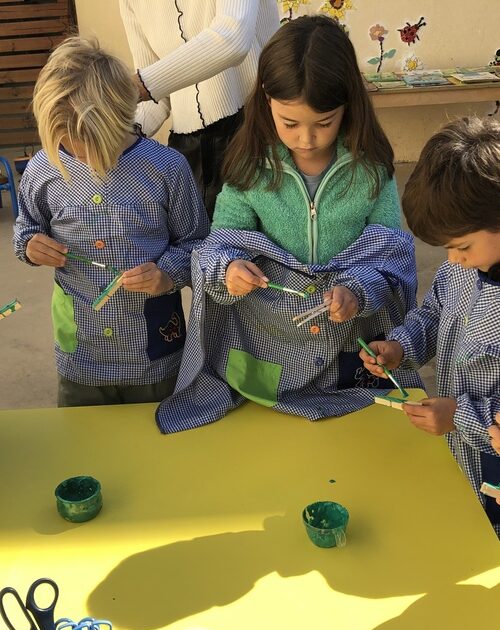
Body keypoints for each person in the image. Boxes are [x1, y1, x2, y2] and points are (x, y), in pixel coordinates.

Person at [155, 15, 421, 434]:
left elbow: (390, 258)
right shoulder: (248, 167)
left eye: (324, 122)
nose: (306, 139)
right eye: (290, 123)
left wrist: (357, 291)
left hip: (347, 344)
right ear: (266, 100)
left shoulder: (371, 170)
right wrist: (229, 270)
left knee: (358, 439)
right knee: (265, 439)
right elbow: (217, 247)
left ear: (349, 104)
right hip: (268, 341)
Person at [13, 37, 209, 408]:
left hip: (153, 357)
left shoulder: (167, 169)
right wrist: (30, 246)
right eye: (66, 143)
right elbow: (26, 228)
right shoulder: (43, 169)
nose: (80, 154)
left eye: (90, 142)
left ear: (122, 117)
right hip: (81, 359)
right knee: (82, 440)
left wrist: (166, 275)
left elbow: (197, 244)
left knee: (154, 436)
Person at [359, 116, 500, 534]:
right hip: (459, 452)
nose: (454, 259)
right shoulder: (460, 269)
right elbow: (434, 314)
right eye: (446, 248)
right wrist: (401, 347)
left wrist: (460, 416)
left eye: (462, 246)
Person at [119, 0, 280, 218]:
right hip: (186, 151)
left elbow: (233, 39)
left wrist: (136, 86)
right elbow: (155, 96)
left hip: (253, 130)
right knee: (191, 238)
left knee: (253, 234)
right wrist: (119, 133)